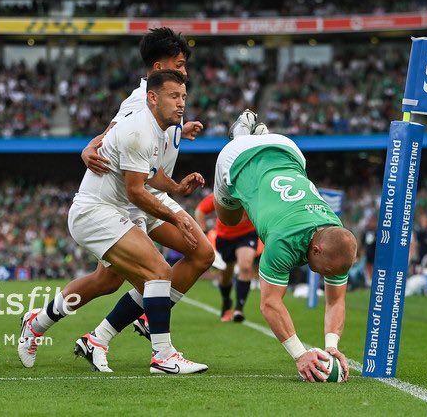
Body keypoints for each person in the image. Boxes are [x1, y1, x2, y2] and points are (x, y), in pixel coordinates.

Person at [17, 28, 214, 370]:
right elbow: (114, 137)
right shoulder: (140, 103)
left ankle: (93, 335)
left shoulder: (169, 100)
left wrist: (184, 140)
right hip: (123, 201)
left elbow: (149, 162)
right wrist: (89, 147)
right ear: (158, 67)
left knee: (195, 255)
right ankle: (150, 340)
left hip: (144, 195)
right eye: (179, 65)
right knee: (150, 275)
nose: (185, 73)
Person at [64, 69, 207, 373]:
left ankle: (98, 340)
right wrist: (175, 218)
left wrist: (178, 188)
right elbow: (136, 191)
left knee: (153, 276)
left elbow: (151, 175)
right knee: (153, 273)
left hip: (112, 211)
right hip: (96, 211)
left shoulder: (157, 129)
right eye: (173, 96)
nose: (181, 103)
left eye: (183, 96)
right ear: (152, 97)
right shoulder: (138, 129)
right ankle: (163, 357)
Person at [213, 110, 357, 383]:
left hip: (287, 147)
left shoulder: (336, 238)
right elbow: (269, 304)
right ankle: (241, 134)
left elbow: (336, 299)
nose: (324, 276)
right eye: (324, 271)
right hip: (235, 159)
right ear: (315, 250)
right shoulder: (283, 242)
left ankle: (259, 138)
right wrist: (300, 354)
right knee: (229, 219)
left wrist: (332, 345)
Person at [195, 192, 258, 322]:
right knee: (225, 276)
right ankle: (226, 302)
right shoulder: (222, 193)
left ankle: (239, 309)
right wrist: (204, 233)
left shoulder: (252, 192)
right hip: (224, 238)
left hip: (247, 235)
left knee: (246, 267)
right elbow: (200, 210)